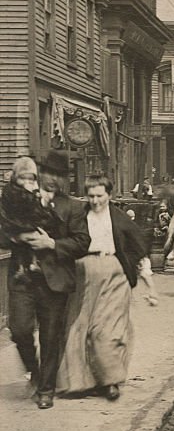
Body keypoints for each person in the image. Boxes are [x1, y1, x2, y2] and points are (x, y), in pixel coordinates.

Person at [0, 150, 90, 409]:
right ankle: (36, 372)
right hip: (22, 278)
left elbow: (82, 242)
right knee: (19, 330)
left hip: (55, 279)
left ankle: (46, 389)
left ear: (66, 180)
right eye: (48, 173)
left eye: (59, 175)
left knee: (51, 336)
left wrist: (51, 243)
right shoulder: (18, 198)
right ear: (40, 173)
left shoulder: (73, 207)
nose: (53, 179)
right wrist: (17, 239)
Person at [57, 174, 151, 401]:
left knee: (106, 328)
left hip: (113, 272)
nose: (96, 201)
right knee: (78, 326)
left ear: (109, 195)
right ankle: (80, 382)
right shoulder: (79, 216)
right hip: (83, 271)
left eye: (100, 196)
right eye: (91, 196)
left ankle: (110, 381)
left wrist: (146, 279)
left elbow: (138, 247)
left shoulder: (118, 218)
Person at [0, 156, 56, 284]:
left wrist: (41, 200)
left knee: (33, 243)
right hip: (16, 224)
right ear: (15, 177)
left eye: (30, 179)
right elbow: (9, 211)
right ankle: (21, 268)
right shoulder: (11, 190)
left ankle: (33, 262)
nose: (26, 181)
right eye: (22, 178)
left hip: (30, 223)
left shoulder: (34, 190)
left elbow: (38, 209)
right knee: (19, 247)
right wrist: (31, 194)